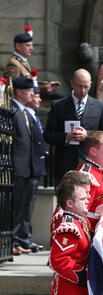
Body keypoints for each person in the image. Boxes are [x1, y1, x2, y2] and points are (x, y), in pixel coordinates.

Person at [44, 69, 103, 187]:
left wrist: (89, 136)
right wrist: (66, 137)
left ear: (91, 84)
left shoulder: (99, 107)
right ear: (72, 84)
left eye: (86, 87)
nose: (82, 90)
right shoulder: (58, 106)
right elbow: (48, 135)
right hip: (65, 165)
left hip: (90, 164)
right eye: (79, 86)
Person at [11, 77, 46, 255]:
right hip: (19, 166)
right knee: (17, 206)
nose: (33, 94)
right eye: (29, 90)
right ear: (19, 91)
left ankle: (23, 238)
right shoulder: (12, 109)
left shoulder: (25, 111)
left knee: (26, 206)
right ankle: (15, 240)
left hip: (30, 166)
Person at [4, 25, 60, 96]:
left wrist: (45, 87)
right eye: (28, 45)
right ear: (18, 46)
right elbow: (12, 90)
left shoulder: (22, 62)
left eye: (32, 45)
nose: (31, 48)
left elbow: (27, 85)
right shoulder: (14, 64)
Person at [77, 131, 103, 232]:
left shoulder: (99, 169)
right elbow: (80, 213)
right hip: (90, 231)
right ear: (93, 151)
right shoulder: (87, 175)